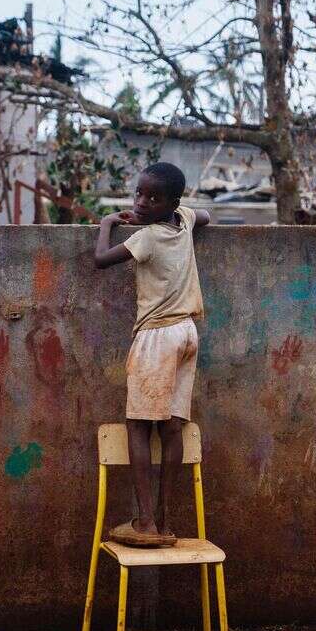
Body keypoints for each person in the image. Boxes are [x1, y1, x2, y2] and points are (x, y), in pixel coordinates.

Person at [94, 162, 210, 547]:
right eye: (138, 194)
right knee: (171, 425)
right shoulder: (185, 220)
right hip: (188, 333)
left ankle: (145, 523)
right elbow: (206, 214)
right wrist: (178, 211)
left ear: (171, 201)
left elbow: (101, 260)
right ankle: (164, 518)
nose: (142, 203)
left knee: (138, 426)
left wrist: (109, 223)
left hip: (157, 335)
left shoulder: (147, 237)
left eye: (152, 198)